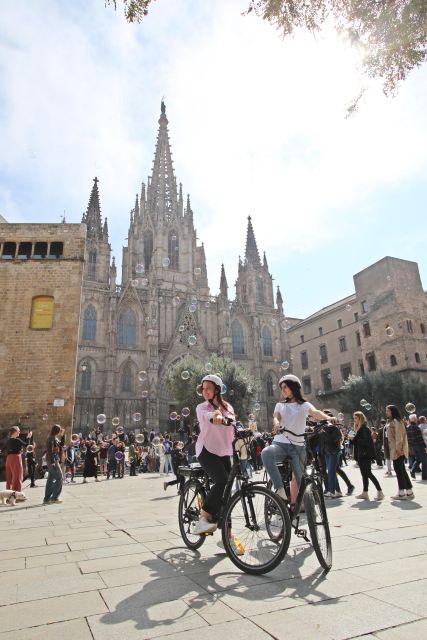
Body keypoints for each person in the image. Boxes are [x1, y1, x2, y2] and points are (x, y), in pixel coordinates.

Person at [261, 374, 338, 500]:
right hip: (280, 444)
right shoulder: (280, 405)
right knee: (266, 453)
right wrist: (276, 425)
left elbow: (315, 413)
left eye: (285, 387)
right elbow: (276, 417)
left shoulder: (304, 405)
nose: (283, 390)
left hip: (298, 446)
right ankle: (279, 489)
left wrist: (328, 418)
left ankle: (307, 508)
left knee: (301, 480)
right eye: (281, 388)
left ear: (293, 387)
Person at [192, 374, 236, 535]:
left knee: (227, 492)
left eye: (208, 388)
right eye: (203, 389)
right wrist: (215, 415)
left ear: (217, 390)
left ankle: (228, 536)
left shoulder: (228, 407)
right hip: (207, 451)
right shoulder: (202, 407)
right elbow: (208, 416)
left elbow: (232, 423)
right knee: (222, 481)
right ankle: (203, 519)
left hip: (224, 451)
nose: (205, 391)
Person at [352, 412, 384, 500]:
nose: (354, 420)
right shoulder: (360, 429)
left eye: (356, 418)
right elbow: (357, 443)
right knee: (364, 474)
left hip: (365, 455)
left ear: (360, 419)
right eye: (354, 418)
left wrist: (355, 439)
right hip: (362, 455)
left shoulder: (364, 429)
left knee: (368, 474)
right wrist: (352, 439)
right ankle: (365, 492)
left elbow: (365, 443)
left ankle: (380, 492)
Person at [386, 405, 414, 500]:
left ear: (392, 412)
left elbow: (399, 436)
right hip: (396, 449)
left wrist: (398, 449)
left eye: (388, 411)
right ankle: (409, 491)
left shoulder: (396, 421)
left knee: (399, 470)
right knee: (401, 470)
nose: (387, 413)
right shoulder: (394, 421)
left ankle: (401, 493)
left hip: (397, 450)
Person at [5, 426, 30, 492]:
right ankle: (17, 494)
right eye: (18, 431)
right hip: (16, 458)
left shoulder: (8, 441)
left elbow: (3, 449)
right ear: (15, 432)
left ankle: (8, 494)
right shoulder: (17, 440)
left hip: (9, 458)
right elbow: (26, 445)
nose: (19, 432)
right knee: (17, 475)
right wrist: (28, 437)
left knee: (9, 476)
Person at [43, 424, 64, 504]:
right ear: (57, 431)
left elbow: (61, 445)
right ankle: (54, 498)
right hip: (52, 460)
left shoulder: (54, 438)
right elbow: (49, 451)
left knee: (50, 479)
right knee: (60, 478)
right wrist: (52, 462)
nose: (60, 432)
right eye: (59, 431)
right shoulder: (51, 439)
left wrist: (62, 436)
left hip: (54, 460)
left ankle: (46, 499)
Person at [407, 414, 427, 480]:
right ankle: (424, 476)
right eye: (416, 418)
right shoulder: (416, 427)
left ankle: (412, 471)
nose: (417, 419)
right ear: (414, 419)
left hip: (413, 446)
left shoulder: (408, 427)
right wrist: (424, 446)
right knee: (424, 461)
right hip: (419, 446)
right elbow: (419, 438)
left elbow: (408, 438)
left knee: (418, 459)